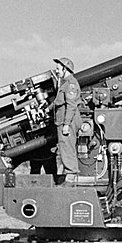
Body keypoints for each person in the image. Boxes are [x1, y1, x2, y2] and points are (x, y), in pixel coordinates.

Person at [51, 56, 81, 185]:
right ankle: (69, 174)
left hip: (67, 121)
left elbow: (71, 105)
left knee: (67, 147)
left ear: (65, 68)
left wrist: (67, 125)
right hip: (63, 120)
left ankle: (71, 176)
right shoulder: (64, 83)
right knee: (64, 147)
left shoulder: (70, 84)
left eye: (58, 68)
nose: (56, 71)